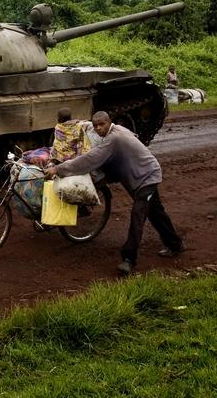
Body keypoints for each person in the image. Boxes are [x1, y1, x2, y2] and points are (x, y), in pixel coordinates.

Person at [44, 111, 184, 275]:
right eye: (95, 125)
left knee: (138, 215)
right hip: (138, 176)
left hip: (146, 178)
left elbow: (90, 159)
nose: (98, 128)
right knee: (156, 213)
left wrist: (58, 169)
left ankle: (128, 260)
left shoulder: (113, 138)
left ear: (109, 122)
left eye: (102, 124)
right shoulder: (118, 131)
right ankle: (175, 244)